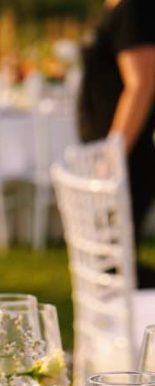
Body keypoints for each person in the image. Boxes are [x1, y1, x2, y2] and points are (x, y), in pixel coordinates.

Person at [79, 0, 155, 287]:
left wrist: (113, 154)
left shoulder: (135, 9)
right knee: (109, 267)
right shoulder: (118, 8)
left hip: (127, 161)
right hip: (113, 159)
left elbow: (141, 85)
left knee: (113, 271)